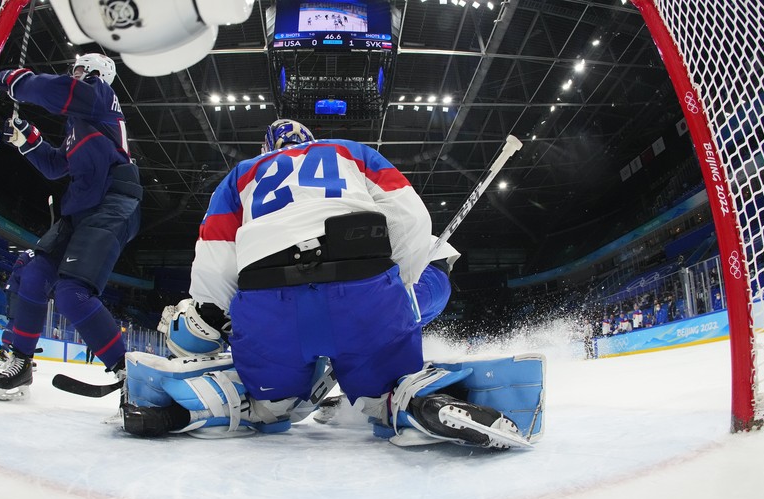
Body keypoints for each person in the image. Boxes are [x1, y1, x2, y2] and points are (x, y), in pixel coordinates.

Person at [120, 119, 534, 448]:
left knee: (270, 406)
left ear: (267, 151)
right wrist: (398, 289)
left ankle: (199, 407)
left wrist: (226, 320)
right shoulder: (350, 152)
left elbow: (213, 262)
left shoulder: (243, 174)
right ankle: (412, 402)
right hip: (363, 294)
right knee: (386, 392)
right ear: (311, 141)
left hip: (270, 302)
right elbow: (412, 219)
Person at [0, 53, 143, 401]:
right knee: (32, 273)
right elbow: (57, 166)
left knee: (72, 292)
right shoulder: (81, 123)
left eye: (78, 70)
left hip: (112, 200)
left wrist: (15, 80)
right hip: (83, 206)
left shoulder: (100, 94)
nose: (73, 75)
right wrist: (30, 141)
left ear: (95, 72)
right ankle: (22, 362)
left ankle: (130, 377)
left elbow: (62, 91)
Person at [0, 248, 35, 364]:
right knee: (15, 320)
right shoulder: (30, 253)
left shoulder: (43, 260)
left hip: (24, 294)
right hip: (16, 291)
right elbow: (18, 268)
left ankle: (22, 355)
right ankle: (3, 351)